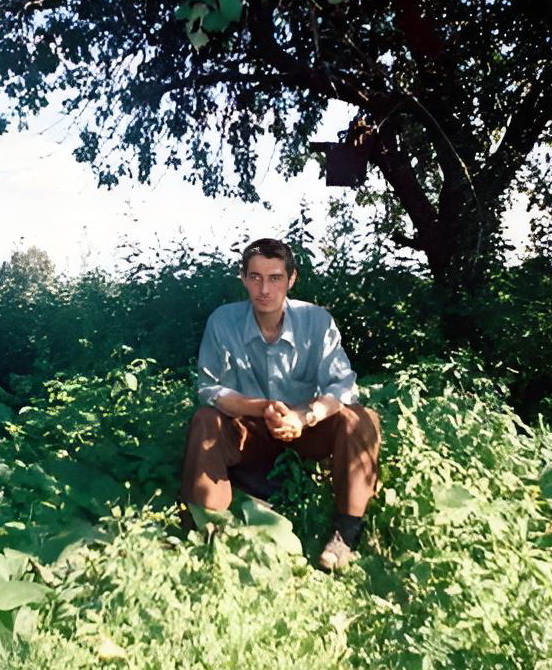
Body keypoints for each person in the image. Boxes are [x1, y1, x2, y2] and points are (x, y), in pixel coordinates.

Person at [180, 238, 381, 570]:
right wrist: (262, 408)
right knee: (205, 419)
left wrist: (304, 416)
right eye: (255, 277)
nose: (264, 289)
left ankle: (345, 534)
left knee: (361, 417)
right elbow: (210, 388)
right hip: (249, 430)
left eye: (275, 278)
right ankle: (208, 529)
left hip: (305, 430)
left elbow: (343, 385)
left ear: (291, 279)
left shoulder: (316, 321)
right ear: (243, 278)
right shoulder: (223, 321)